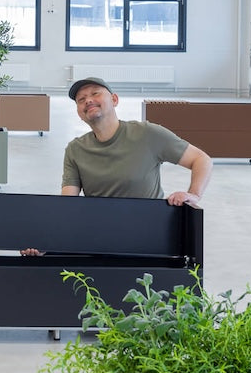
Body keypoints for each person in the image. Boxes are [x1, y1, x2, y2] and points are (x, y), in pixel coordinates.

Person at [21, 76, 212, 256]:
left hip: (148, 238)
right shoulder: (75, 149)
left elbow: (201, 159)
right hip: (99, 240)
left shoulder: (148, 134)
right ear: (79, 113)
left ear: (114, 99)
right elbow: (68, 204)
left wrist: (194, 194)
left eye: (95, 93)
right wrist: (47, 240)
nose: (88, 100)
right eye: (81, 99)